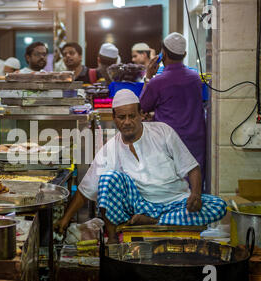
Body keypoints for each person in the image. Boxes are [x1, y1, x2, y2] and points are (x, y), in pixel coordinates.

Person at [54, 89, 226, 243]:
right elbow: (86, 190)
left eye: (132, 116)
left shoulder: (162, 132)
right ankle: (113, 237)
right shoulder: (110, 149)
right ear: (114, 118)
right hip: (141, 206)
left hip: (177, 203)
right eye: (122, 117)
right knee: (107, 178)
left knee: (218, 206)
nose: (127, 122)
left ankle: (156, 221)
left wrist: (195, 194)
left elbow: (192, 168)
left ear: (141, 115)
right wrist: (65, 219)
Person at [139, 32, 207, 182]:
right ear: (184, 54)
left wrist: (148, 77)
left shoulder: (158, 82)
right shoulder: (195, 78)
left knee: (172, 189)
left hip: (170, 143)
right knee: (193, 186)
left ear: (163, 53)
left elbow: (142, 106)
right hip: (195, 141)